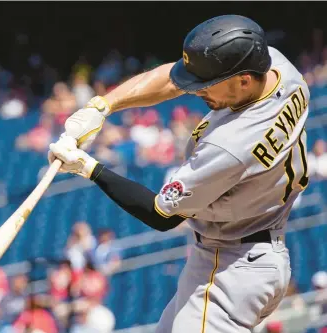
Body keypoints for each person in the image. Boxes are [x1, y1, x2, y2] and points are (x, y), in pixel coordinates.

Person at [48, 15, 309, 333]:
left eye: (208, 84)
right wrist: (102, 106)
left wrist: (88, 168)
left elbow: (163, 216)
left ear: (243, 79)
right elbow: (175, 80)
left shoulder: (230, 145)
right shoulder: (281, 71)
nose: (198, 92)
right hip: (252, 253)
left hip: (230, 266)